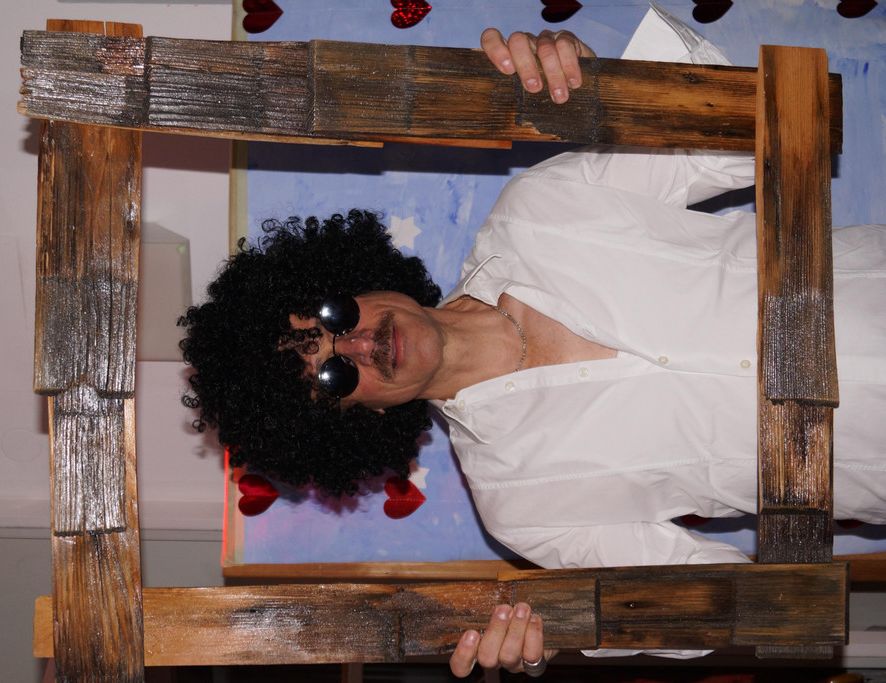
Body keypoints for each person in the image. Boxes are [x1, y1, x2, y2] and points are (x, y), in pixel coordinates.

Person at [179, 7, 886, 678]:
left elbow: (735, 124)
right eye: (334, 375)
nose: (359, 344)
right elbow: (720, 603)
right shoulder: (517, 503)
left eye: (332, 316)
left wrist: (602, 88)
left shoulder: (535, 213)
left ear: (353, 277)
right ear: (360, 416)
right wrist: (559, 636)